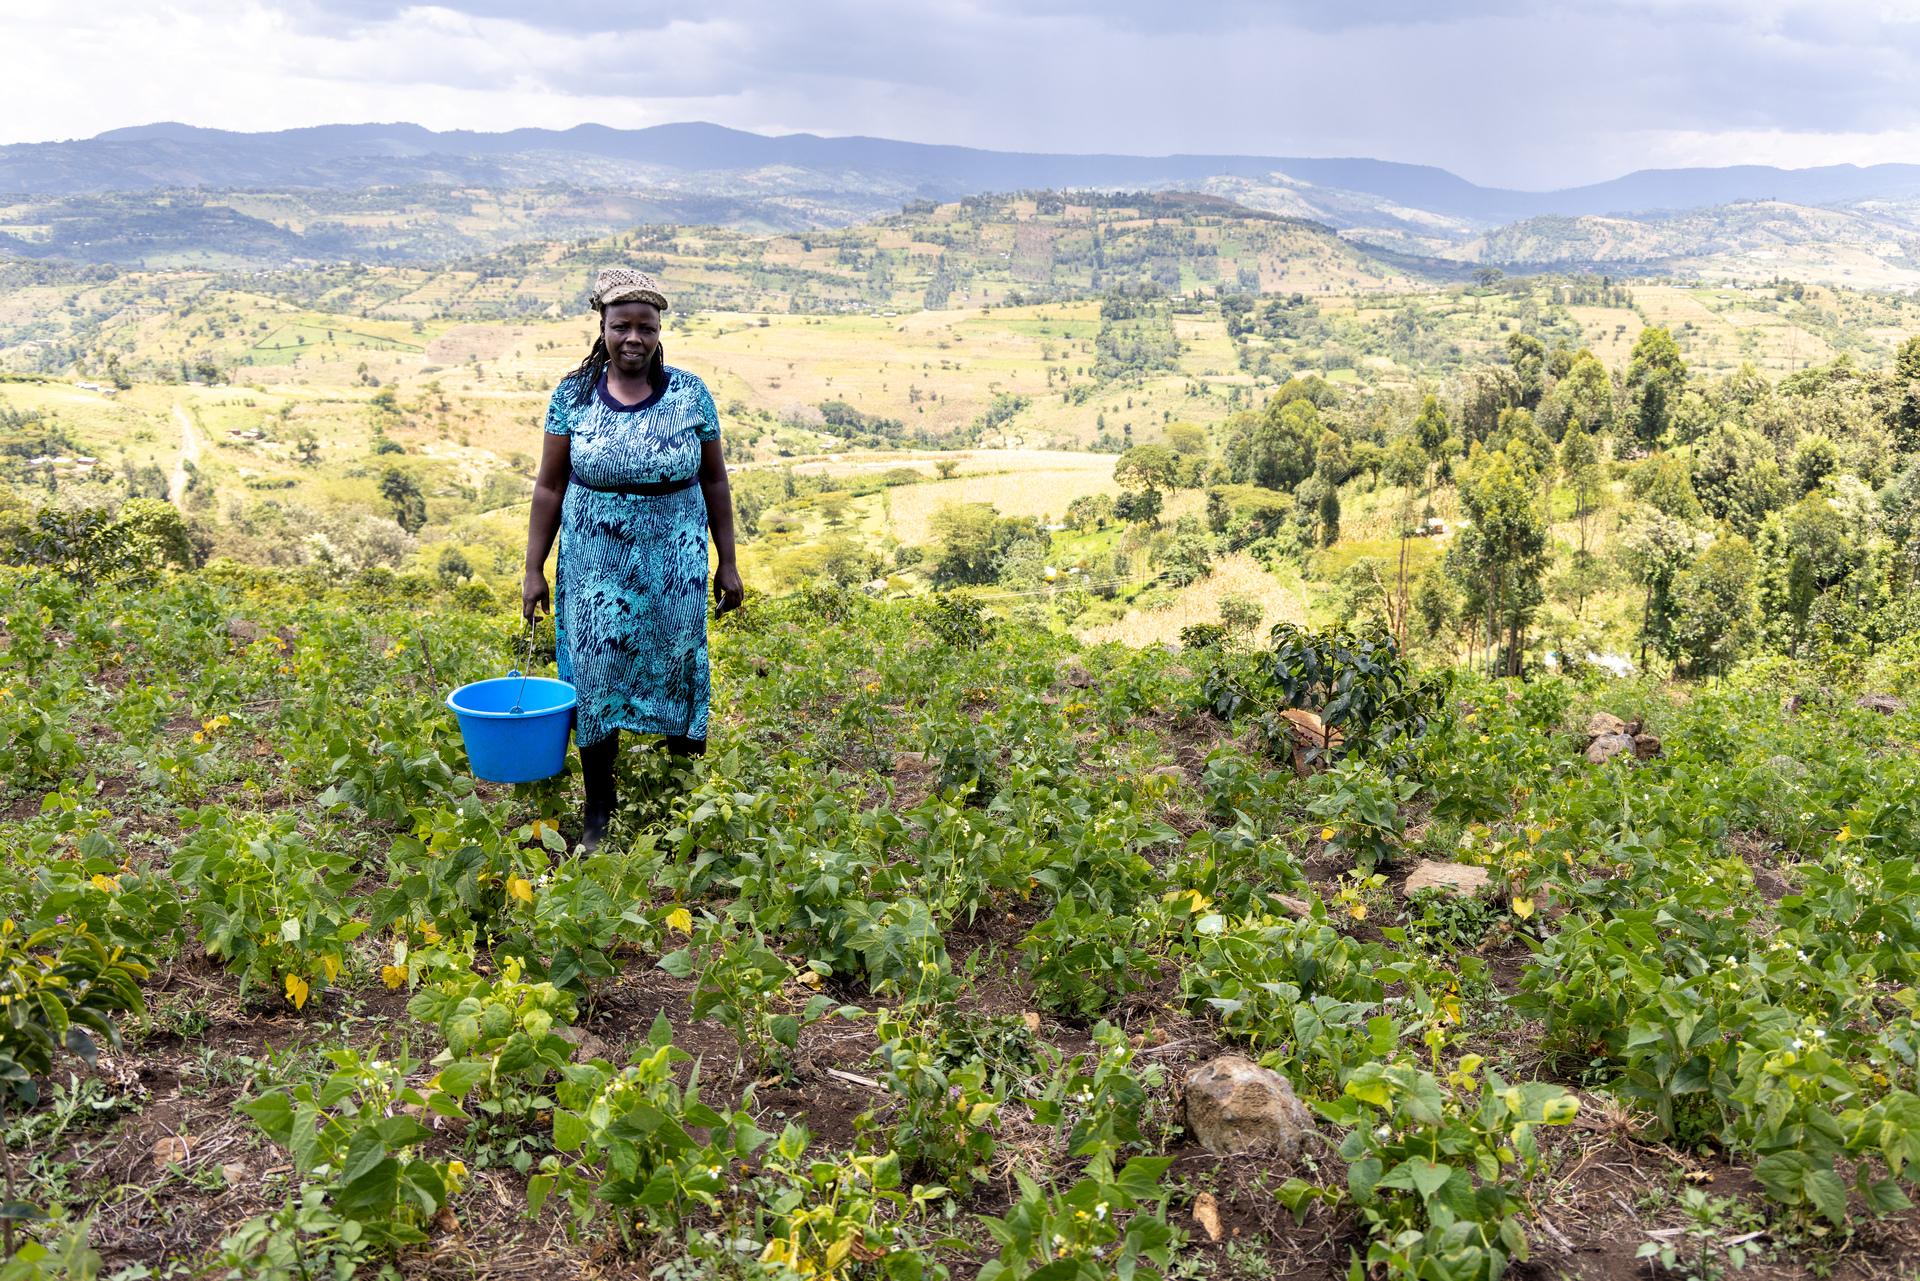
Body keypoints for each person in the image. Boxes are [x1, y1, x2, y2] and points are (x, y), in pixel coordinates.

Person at [522, 267, 743, 851]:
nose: (633, 339)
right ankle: (599, 810)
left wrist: (728, 562)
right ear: (602, 327)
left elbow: (716, 480)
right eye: (621, 326)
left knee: (678, 666)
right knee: (593, 677)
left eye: (646, 327)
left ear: (660, 329)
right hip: (595, 562)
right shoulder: (572, 394)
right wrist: (532, 570)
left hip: (675, 556)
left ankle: (683, 799)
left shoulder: (691, 393)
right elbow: (549, 487)